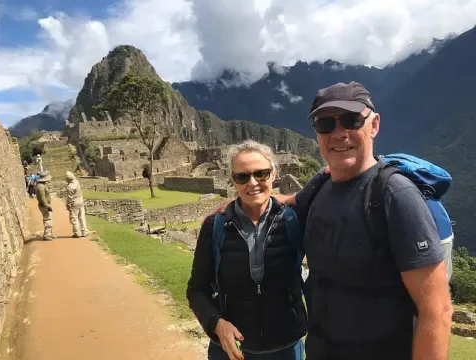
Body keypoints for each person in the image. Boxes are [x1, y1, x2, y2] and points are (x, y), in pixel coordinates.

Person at [276, 82, 453, 360]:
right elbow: (289, 202)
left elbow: (437, 309)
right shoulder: (321, 185)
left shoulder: (395, 195)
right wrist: (235, 204)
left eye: (351, 120)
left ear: (374, 125)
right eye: (325, 124)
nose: (339, 133)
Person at [187, 140, 306, 360]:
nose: (252, 183)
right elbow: (197, 289)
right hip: (232, 350)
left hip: (286, 347)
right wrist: (217, 324)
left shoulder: (294, 220)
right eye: (242, 176)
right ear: (233, 180)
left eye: (261, 174)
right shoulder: (215, 227)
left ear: (273, 174)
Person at [65, 171, 89, 238]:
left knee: (74, 218)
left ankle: (77, 233)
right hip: (80, 202)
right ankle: (85, 231)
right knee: (82, 217)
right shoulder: (76, 182)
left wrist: (68, 205)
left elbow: (69, 198)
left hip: (74, 203)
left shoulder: (69, 187)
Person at [35, 171, 53, 240]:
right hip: (44, 206)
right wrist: (47, 206)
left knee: (48, 219)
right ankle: (47, 235)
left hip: (44, 205)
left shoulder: (41, 185)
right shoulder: (41, 187)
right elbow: (42, 198)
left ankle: (49, 234)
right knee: (47, 220)